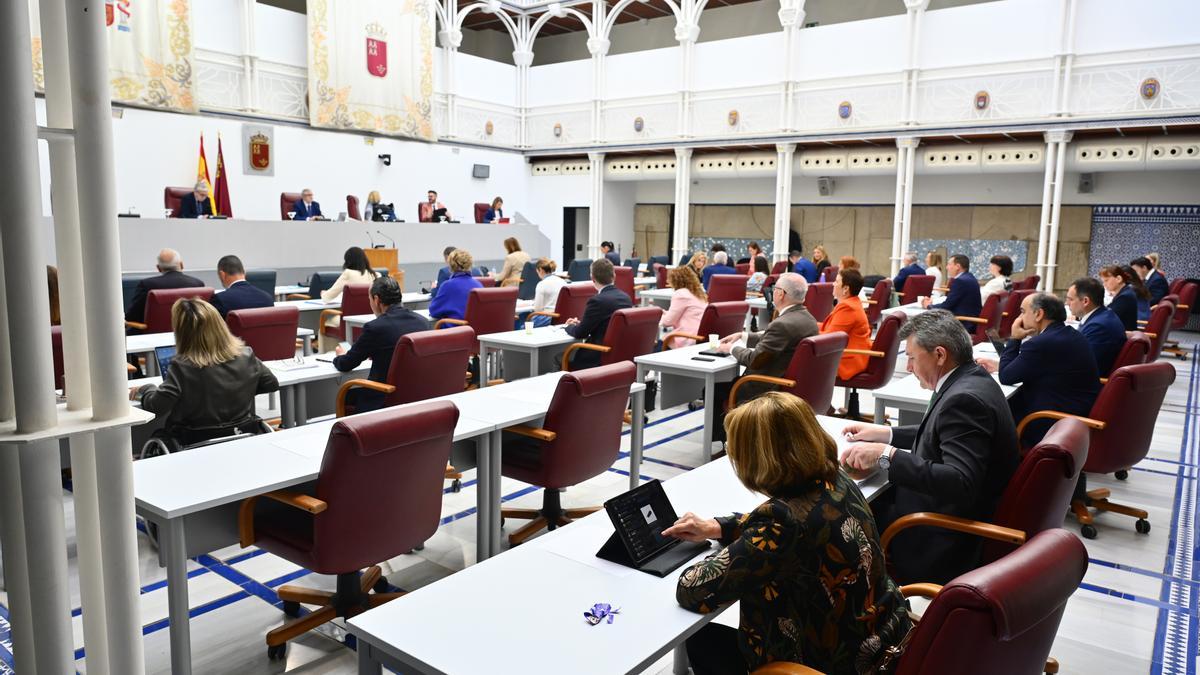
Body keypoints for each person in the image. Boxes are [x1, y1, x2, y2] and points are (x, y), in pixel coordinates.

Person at [671, 393, 911, 675]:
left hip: (816, 665)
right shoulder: (835, 479)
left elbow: (693, 591)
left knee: (701, 640)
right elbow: (795, 525)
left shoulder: (781, 522)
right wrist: (720, 526)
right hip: (878, 644)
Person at [841, 310, 1019, 584]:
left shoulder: (965, 401)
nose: (909, 367)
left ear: (939, 354)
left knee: (840, 512)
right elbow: (941, 435)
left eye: (912, 358)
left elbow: (960, 481)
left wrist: (886, 456)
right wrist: (886, 434)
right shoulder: (972, 380)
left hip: (938, 534)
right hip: (938, 511)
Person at [130, 298, 279, 446]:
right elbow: (271, 384)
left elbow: (157, 406)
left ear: (182, 332)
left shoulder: (182, 365)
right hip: (242, 433)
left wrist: (146, 389)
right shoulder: (246, 354)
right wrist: (239, 389)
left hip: (194, 440)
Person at [976, 292, 1100, 446]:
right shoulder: (1071, 334)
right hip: (1072, 415)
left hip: (1049, 421)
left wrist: (1015, 338)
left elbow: (1006, 377)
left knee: (982, 413)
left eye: (1022, 312)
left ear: (1039, 314)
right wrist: (1000, 365)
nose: (1019, 318)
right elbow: (1033, 367)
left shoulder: (1041, 343)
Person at [712, 273, 819, 441]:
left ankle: (732, 443)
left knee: (714, 390)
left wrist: (731, 348)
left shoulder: (782, 324)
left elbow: (755, 359)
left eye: (774, 289)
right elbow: (776, 339)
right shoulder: (808, 319)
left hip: (765, 388)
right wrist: (743, 336)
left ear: (781, 294)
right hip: (791, 384)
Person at [332, 277, 430, 412]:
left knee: (347, 395)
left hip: (384, 397)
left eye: (370, 299)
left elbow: (346, 364)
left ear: (377, 300)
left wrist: (340, 356)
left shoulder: (375, 328)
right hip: (418, 395)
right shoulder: (423, 322)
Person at [561, 258, 632, 370]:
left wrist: (568, 327)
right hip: (619, 355)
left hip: (597, 355)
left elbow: (580, 333)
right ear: (614, 276)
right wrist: (582, 323)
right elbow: (609, 325)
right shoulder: (626, 298)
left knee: (559, 357)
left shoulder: (597, 301)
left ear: (592, 278)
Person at [319, 247, 379, 351]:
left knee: (324, 324)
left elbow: (328, 297)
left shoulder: (348, 273)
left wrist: (323, 293)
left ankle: (328, 355)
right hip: (370, 320)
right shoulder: (376, 275)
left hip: (348, 322)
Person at [124, 248, 204, 325]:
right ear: (182, 265)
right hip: (189, 334)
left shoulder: (147, 285)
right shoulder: (198, 284)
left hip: (153, 335)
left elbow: (132, 316)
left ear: (158, 268)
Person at [1067, 276, 1127, 376]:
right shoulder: (1103, 315)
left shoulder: (1098, 327)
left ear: (1085, 301)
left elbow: (1081, 366)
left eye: (1070, 299)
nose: (1067, 303)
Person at [820, 268, 872, 380]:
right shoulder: (852, 303)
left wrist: (804, 331)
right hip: (852, 356)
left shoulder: (847, 308)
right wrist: (808, 325)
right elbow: (830, 328)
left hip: (847, 362)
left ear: (845, 289)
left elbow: (829, 338)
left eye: (837, 281)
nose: (833, 284)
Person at [922, 254, 981, 327]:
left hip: (962, 323)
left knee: (925, 325)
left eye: (949, 264)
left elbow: (947, 306)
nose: (947, 268)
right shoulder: (970, 277)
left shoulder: (960, 281)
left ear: (957, 266)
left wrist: (928, 305)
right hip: (970, 320)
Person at [429, 248, 483, 321]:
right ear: (470, 264)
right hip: (474, 329)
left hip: (454, 329)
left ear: (450, 265)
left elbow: (434, 311)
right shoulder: (478, 284)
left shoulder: (447, 285)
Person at [660, 266, 707, 348]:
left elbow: (667, 322)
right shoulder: (700, 293)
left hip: (686, 338)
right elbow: (688, 315)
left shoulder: (681, 294)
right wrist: (666, 313)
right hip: (699, 337)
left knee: (650, 348)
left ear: (675, 281)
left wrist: (657, 316)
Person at [1100, 264, 1142, 331]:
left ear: (1118, 279)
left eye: (1106, 280)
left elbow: (1106, 316)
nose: (1104, 284)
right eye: (1103, 281)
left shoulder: (1125, 297)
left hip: (1122, 337)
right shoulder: (1126, 291)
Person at [530, 258, 566, 327]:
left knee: (522, 324)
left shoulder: (542, 284)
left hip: (546, 318)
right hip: (561, 317)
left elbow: (537, 309)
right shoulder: (563, 281)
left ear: (540, 270)